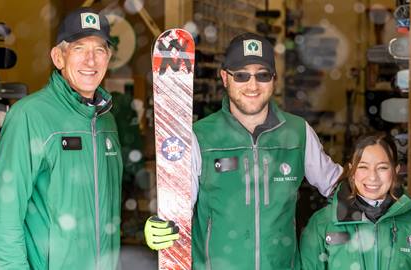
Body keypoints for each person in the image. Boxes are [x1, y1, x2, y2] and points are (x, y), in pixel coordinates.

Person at [144, 32, 343, 270]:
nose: (253, 85)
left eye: (263, 75)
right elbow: (179, 210)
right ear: (225, 78)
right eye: (241, 75)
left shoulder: (298, 133)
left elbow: (338, 187)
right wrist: (161, 226)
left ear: (274, 79)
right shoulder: (200, 137)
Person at [0, 8, 122, 270]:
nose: (90, 61)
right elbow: (5, 214)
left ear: (108, 58)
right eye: (79, 48)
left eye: (99, 50)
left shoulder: (106, 118)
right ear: (58, 57)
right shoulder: (29, 116)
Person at [300, 135, 411, 270]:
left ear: (395, 170)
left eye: (382, 167)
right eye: (363, 167)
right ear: (352, 170)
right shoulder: (322, 223)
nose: (372, 177)